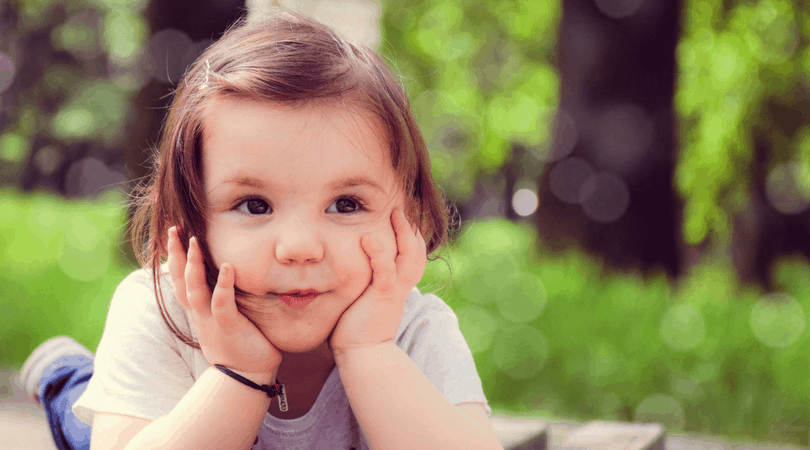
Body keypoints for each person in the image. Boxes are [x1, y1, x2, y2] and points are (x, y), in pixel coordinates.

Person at [20, 10, 501, 450]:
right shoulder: (160, 311)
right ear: (191, 220)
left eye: (346, 204)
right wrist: (240, 373)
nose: (299, 248)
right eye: (254, 205)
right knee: (83, 421)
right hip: (156, 419)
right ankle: (63, 376)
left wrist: (368, 351)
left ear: (408, 220)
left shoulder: (414, 328)